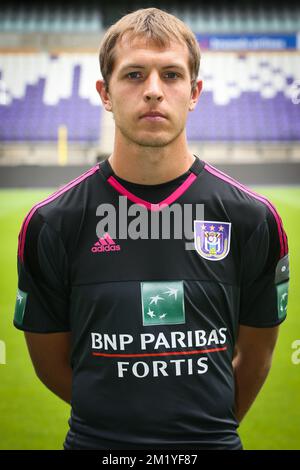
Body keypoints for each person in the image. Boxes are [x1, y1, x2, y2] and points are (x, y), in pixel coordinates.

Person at [14, 8, 289, 450]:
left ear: (195, 92)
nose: (154, 91)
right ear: (105, 93)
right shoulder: (52, 223)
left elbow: (257, 356)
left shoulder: (252, 219)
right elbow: (51, 364)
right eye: (135, 74)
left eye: (172, 75)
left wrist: (199, 435)